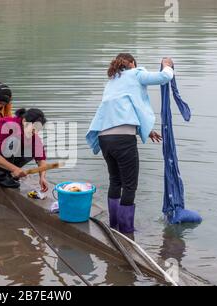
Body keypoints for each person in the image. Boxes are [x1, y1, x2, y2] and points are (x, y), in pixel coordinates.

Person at [86, 53, 174, 235]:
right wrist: (167, 65)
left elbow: (120, 111)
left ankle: (113, 226)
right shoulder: (136, 73)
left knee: (115, 181)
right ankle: (126, 231)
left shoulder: (112, 82)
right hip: (123, 140)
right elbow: (164, 77)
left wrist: (147, 130)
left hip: (104, 138)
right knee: (130, 185)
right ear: (132, 63)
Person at [0, 108, 48, 190]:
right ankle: (1, 176)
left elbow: (41, 159)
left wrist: (42, 177)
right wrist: (15, 169)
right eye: (33, 129)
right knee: (14, 141)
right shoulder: (7, 125)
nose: (34, 132)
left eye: (37, 130)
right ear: (24, 121)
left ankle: (8, 173)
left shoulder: (32, 134)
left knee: (32, 150)